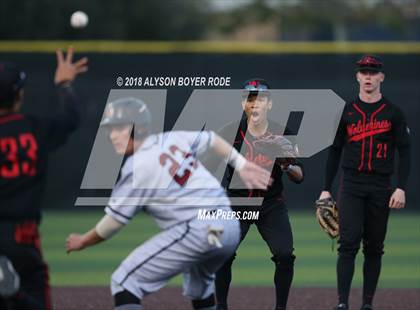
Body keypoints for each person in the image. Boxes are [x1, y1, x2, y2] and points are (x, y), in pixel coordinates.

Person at [65, 97, 273, 310]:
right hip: (229, 227)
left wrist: (83, 241)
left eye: (120, 128)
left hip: (199, 230)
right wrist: (241, 164)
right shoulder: (172, 140)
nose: (113, 135)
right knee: (199, 288)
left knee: (124, 281)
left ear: (139, 126)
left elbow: (113, 223)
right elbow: (211, 139)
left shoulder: (136, 167)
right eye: (110, 129)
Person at [318, 55, 411, 310]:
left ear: (381, 77)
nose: (368, 76)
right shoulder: (347, 111)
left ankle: (367, 304)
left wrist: (401, 187)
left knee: (374, 247)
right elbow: (335, 151)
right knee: (347, 243)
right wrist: (326, 187)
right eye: (364, 72)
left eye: (373, 72)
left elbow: (405, 151)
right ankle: (342, 303)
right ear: (357, 77)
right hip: (352, 184)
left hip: (381, 185)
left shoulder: (393, 113)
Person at [0, 47, 88, 309]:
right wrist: (64, 84)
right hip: (22, 236)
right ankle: (14, 292)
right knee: (34, 294)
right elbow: (72, 117)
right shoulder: (35, 129)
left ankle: (8, 287)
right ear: (20, 94)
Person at [205, 79, 304, 310]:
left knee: (285, 256)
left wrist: (287, 166)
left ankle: (280, 308)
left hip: (270, 204)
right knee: (223, 254)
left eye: (260, 98)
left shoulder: (283, 133)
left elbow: (300, 175)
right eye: (250, 98)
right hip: (237, 203)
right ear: (243, 103)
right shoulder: (229, 132)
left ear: (269, 104)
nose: (255, 103)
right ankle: (221, 306)